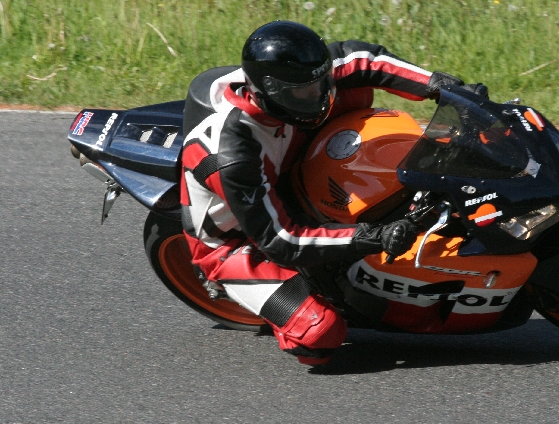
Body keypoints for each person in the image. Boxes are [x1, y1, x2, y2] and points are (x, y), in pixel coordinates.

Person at [180, 20, 487, 365]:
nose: (317, 96)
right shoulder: (233, 154)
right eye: (304, 92)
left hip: (287, 167)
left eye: (320, 84)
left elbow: (364, 59)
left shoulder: (299, 79)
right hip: (241, 240)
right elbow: (280, 239)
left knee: (354, 89)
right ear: (271, 90)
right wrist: (373, 236)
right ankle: (296, 296)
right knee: (321, 335)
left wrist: (442, 87)